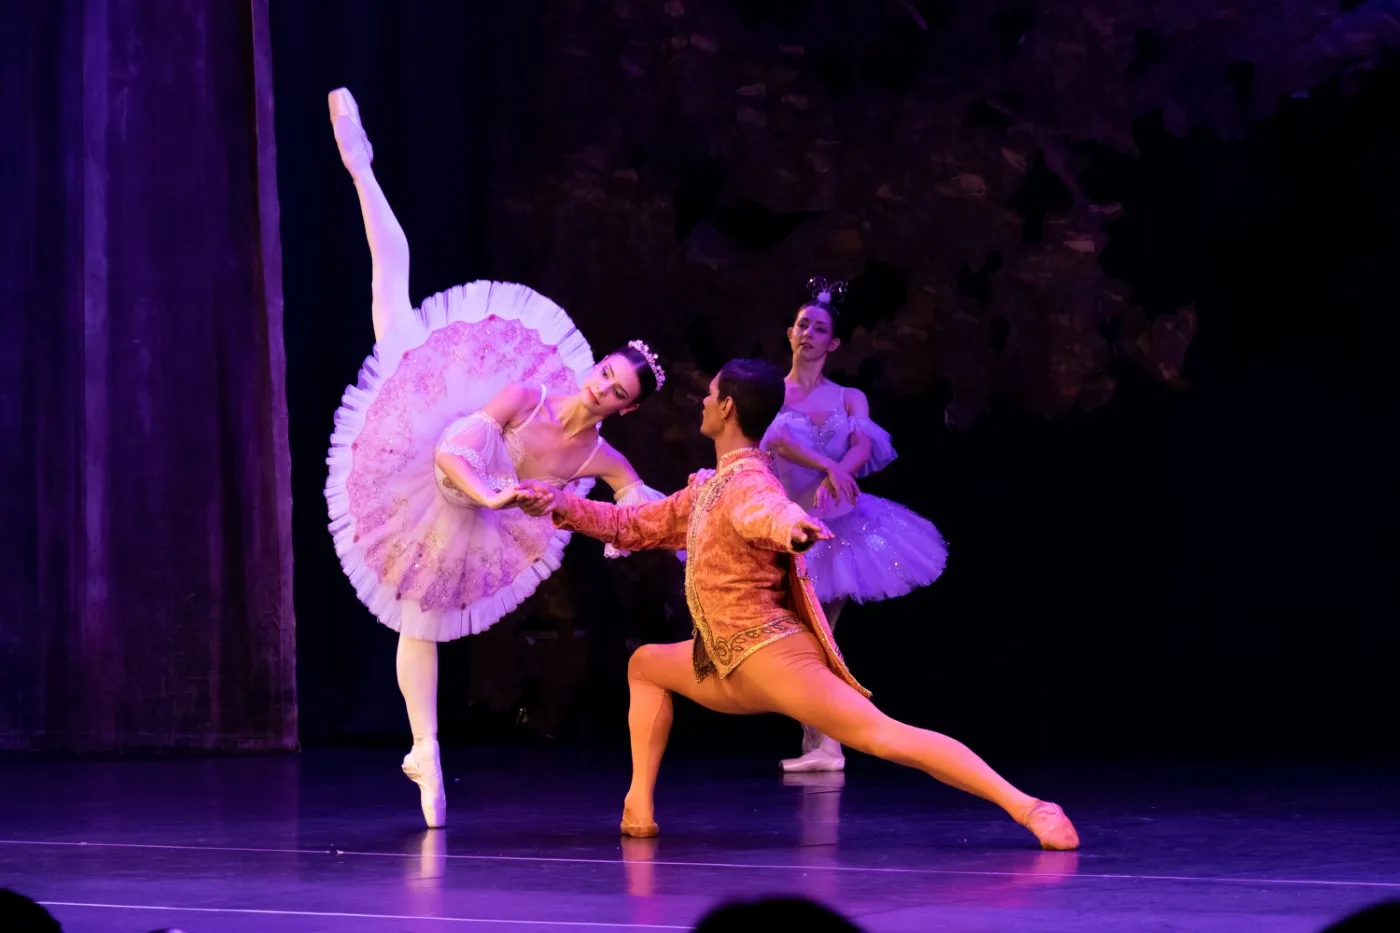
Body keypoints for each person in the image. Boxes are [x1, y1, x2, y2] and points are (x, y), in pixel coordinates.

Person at [514, 359, 1079, 850]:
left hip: (771, 656)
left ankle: (1029, 807)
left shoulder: (747, 483)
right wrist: (558, 502)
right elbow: (631, 524)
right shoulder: (709, 487)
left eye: (711, 395)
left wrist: (795, 528)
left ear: (728, 407)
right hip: (724, 663)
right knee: (645, 666)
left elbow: (767, 511)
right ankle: (638, 806)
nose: (704, 402)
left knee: (883, 736)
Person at [325, 88, 667, 829]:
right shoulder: (529, 391)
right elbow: (455, 447)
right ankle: (361, 166)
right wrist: (495, 495)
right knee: (395, 297)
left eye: (617, 389)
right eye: (606, 370)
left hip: (475, 517)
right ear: (596, 367)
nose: (603, 384)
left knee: (417, 617)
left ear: (625, 407)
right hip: (431, 453)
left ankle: (426, 750)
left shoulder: (596, 452)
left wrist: (679, 517)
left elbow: (640, 499)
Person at [762, 277, 948, 773]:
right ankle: (821, 742)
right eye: (802, 325)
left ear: (834, 342)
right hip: (785, 524)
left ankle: (827, 745)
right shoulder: (771, 392)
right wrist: (829, 466)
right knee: (800, 637)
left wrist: (843, 467)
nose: (809, 334)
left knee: (819, 634)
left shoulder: (849, 396)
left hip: (837, 526)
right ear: (789, 332)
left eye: (819, 328)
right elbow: (776, 443)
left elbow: (865, 444)